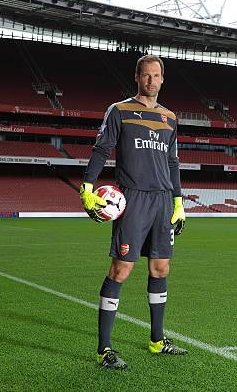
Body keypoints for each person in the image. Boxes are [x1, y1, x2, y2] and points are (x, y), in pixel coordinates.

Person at [79, 54, 187, 370]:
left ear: (163, 79)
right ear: (137, 77)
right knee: (121, 270)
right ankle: (104, 349)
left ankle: (157, 340)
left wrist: (179, 202)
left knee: (161, 269)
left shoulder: (170, 117)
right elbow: (101, 149)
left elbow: (172, 162)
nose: (152, 81)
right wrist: (87, 187)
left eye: (157, 75)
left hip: (163, 199)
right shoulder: (120, 110)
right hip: (133, 200)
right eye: (146, 75)